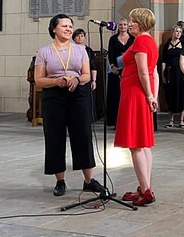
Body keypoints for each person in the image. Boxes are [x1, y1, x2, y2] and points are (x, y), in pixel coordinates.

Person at [34, 14, 103, 197]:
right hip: (54, 96)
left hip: (77, 94)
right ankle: (60, 181)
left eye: (70, 26)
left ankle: (89, 181)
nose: (68, 29)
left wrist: (77, 79)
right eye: (64, 26)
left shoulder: (80, 50)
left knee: (83, 135)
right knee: (55, 137)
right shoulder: (44, 51)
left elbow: (87, 74)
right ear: (54, 29)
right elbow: (38, 80)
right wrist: (57, 82)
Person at [114, 8, 159, 206]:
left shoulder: (141, 41)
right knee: (144, 143)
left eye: (132, 21)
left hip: (136, 93)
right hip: (143, 93)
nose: (129, 24)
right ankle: (144, 186)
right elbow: (154, 73)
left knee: (136, 144)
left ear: (139, 23)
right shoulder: (151, 41)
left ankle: (146, 190)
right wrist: (153, 96)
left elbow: (143, 72)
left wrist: (149, 96)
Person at [106, 18, 134, 126]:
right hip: (116, 68)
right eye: (121, 25)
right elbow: (111, 53)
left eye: (125, 24)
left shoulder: (133, 38)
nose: (123, 27)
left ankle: (127, 120)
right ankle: (115, 121)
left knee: (127, 94)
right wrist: (113, 66)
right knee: (115, 94)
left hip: (129, 68)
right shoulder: (113, 39)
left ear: (128, 26)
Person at [161, 25, 184, 129]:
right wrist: (163, 74)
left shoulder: (183, 45)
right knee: (170, 95)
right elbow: (163, 61)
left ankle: (182, 120)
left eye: (180, 32)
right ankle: (171, 120)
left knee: (181, 95)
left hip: (180, 72)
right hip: (170, 72)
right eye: (176, 31)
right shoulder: (166, 45)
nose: (178, 33)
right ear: (172, 32)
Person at [73, 29, 98, 122]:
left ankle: (87, 119)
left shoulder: (88, 50)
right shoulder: (70, 49)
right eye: (77, 36)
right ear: (73, 38)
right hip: (74, 78)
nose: (80, 37)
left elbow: (93, 66)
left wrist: (94, 80)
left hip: (86, 78)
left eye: (82, 36)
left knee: (86, 100)